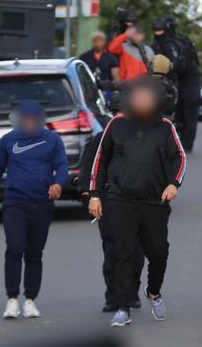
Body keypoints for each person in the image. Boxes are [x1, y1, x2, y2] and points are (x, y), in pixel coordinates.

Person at [88, 77, 186, 327]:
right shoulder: (116, 125)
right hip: (121, 200)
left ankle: (154, 292)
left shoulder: (165, 127)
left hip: (154, 201)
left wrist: (174, 184)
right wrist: (95, 194)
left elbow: (179, 157)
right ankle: (122, 307)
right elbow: (100, 161)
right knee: (124, 253)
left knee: (158, 253)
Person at [0, 100, 69, 319]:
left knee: (34, 252)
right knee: (15, 247)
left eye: (34, 119)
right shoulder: (8, 141)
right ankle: (12, 299)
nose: (30, 123)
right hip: (15, 201)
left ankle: (30, 299)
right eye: (26, 119)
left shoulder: (52, 139)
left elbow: (62, 166)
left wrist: (58, 183)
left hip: (42, 203)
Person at [78, 95, 145, 313]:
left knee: (135, 249)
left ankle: (131, 292)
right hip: (109, 201)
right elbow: (88, 169)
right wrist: (90, 196)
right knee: (113, 248)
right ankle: (114, 296)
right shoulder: (100, 139)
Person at [151, 16, 202, 152]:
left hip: (188, 78)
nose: (157, 34)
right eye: (156, 31)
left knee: (188, 109)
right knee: (174, 110)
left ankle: (186, 144)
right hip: (172, 78)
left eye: (160, 31)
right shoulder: (158, 43)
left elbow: (180, 65)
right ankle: (173, 141)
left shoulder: (176, 43)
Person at [79, 31, 119, 101]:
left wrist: (116, 91)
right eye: (96, 41)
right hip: (89, 90)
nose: (98, 43)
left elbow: (116, 77)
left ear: (104, 42)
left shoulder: (111, 58)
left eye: (100, 40)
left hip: (107, 91)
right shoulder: (84, 57)